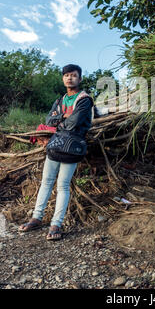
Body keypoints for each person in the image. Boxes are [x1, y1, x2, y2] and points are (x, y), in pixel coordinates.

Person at [19, 64, 93, 241]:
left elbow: (73, 124)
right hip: (55, 144)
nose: (70, 78)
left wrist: (58, 122)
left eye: (73, 75)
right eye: (67, 75)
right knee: (46, 182)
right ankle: (36, 218)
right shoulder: (60, 100)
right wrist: (62, 118)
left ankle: (56, 224)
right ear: (63, 79)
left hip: (72, 146)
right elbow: (48, 120)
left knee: (62, 185)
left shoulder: (84, 99)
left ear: (79, 79)